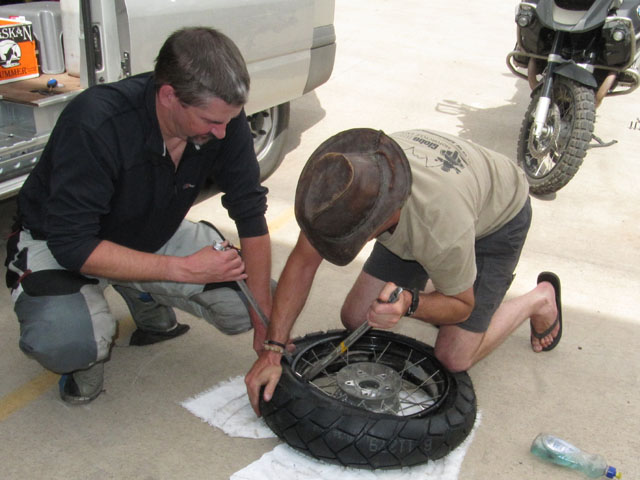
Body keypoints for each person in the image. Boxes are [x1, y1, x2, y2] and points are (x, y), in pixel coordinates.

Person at [5, 27, 273, 405]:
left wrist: (267, 327)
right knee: (68, 340)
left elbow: (251, 214)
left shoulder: (220, 119)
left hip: (150, 230)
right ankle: (89, 344)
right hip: (58, 242)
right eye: (210, 121)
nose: (223, 131)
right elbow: (72, 245)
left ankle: (138, 284)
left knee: (254, 305)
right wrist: (183, 270)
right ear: (168, 96)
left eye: (228, 119)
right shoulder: (95, 123)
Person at [245, 127, 562, 415]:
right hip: (448, 193)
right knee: (358, 318)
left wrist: (410, 303)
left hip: (498, 218)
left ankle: (538, 299)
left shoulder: (438, 230)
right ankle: (441, 285)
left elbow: (462, 304)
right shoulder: (350, 183)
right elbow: (302, 263)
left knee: (454, 357)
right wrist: (273, 349)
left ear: (377, 224)